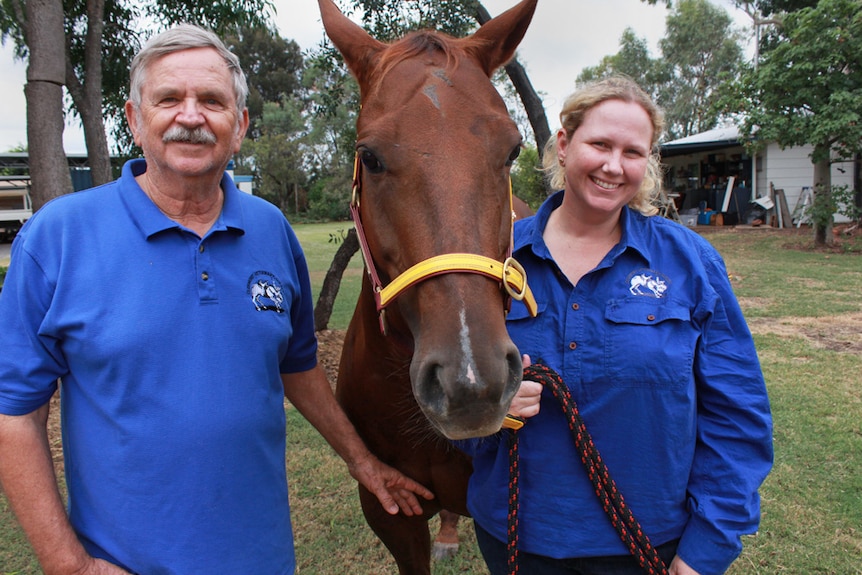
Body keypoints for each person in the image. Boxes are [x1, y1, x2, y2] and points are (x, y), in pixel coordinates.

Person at [0, 24, 432, 575]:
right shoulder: (58, 238)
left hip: (264, 559)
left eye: (211, 100)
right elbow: (14, 415)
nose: (191, 115)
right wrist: (68, 564)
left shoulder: (270, 229)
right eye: (168, 99)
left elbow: (297, 365)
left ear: (240, 125)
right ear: (135, 120)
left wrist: (363, 462)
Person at [460, 76, 773, 575]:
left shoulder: (690, 263)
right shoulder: (493, 259)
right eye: (600, 144)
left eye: (633, 152)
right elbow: (451, 399)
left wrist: (706, 549)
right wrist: (485, 408)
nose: (613, 165)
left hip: (648, 544)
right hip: (518, 538)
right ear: (564, 146)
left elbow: (738, 416)